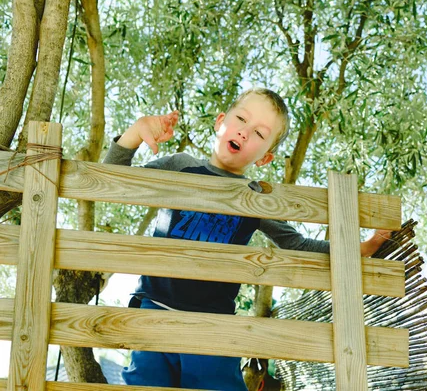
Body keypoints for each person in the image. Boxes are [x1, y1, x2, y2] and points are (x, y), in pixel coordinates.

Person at [103, 88, 389, 390]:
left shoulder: (257, 197)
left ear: (265, 158)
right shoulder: (180, 166)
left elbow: (298, 245)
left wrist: (362, 248)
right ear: (220, 122)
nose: (244, 131)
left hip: (214, 324)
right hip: (155, 311)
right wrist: (136, 132)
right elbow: (109, 179)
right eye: (241, 118)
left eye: (259, 133)